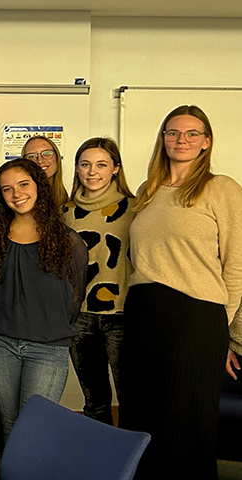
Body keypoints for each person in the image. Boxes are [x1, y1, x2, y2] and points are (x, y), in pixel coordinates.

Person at [121, 105, 242, 479]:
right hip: (143, 312)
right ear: (163, 139)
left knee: (185, 421)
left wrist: (221, 332)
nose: (182, 140)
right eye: (173, 132)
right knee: (140, 415)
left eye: (192, 134)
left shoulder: (220, 188)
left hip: (195, 318)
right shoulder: (148, 190)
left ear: (206, 142)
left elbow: (236, 266)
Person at [0, 159, 87, 444]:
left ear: (39, 187)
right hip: (0, 343)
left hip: (49, 348)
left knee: (35, 427)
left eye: (23, 185)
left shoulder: (68, 241)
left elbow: (75, 297)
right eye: (7, 189)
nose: (16, 194)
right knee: (10, 424)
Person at [64, 136, 134, 429]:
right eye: (86, 164)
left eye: (102, 165)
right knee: (94, 402)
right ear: (77, 169)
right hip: (79, 317)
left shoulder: (136, 208)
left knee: (132, 398)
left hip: (123, 315)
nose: (93, 172)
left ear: (116, 169)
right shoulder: (64, 212)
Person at [21, 135, 69, 207]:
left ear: (57, 158)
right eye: (32, 156)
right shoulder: (20, 201)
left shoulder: (69, 204)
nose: (40, 161)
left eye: (47, 153)